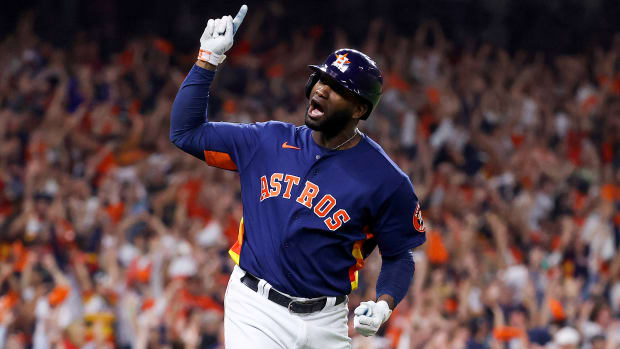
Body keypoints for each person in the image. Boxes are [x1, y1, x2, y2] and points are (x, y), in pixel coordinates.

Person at [169, 5, 426, 348]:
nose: (321, 89)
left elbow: (398, 255)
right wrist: (206, 61)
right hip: (256, 309)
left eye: (336, 87)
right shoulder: (267, 141)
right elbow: (185, 132)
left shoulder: (386, 179)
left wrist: (384, 304)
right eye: (320, 79)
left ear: (360, 109)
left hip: (327, 320)